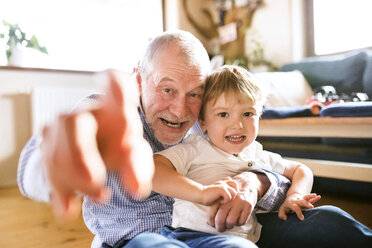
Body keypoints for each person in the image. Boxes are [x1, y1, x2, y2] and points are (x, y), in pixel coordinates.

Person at [17, 30, 371, 248]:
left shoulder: (211, 122)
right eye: (167, 89)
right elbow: (33, 171)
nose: (180, 110)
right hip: (140, 239)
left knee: (330, 223)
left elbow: (265, 164)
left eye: (194, 94)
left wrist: (256, 181)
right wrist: (52, 166)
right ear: (139, 79)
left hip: (231, 233)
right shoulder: (106, 113)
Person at [152, 65, 321, 246]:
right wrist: (201, 193)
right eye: (223, 114)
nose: (238, 125)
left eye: (248, 114)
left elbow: (300, 170)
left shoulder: (257, 153)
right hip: (192, 237)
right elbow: (153, 170)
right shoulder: (195, 148)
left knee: (331, 217)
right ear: (203, 122)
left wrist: (295, 196)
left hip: (248, 237)